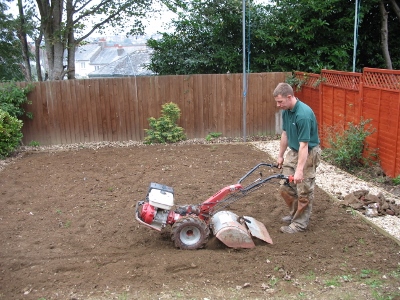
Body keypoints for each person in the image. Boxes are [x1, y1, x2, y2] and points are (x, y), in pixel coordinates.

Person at [273, 82, 321, 234]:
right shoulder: (286, 111)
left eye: (280, 101)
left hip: (308, 152)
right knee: (285, 186)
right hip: (294, 152)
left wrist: (299, 170)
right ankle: (295, 214)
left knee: (304, 190)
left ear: (289, 97)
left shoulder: (303, 115)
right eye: (277, 102)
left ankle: (299, 224)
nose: (278, 105)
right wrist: (280, 156)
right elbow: (285, 134)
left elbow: (304, 146)